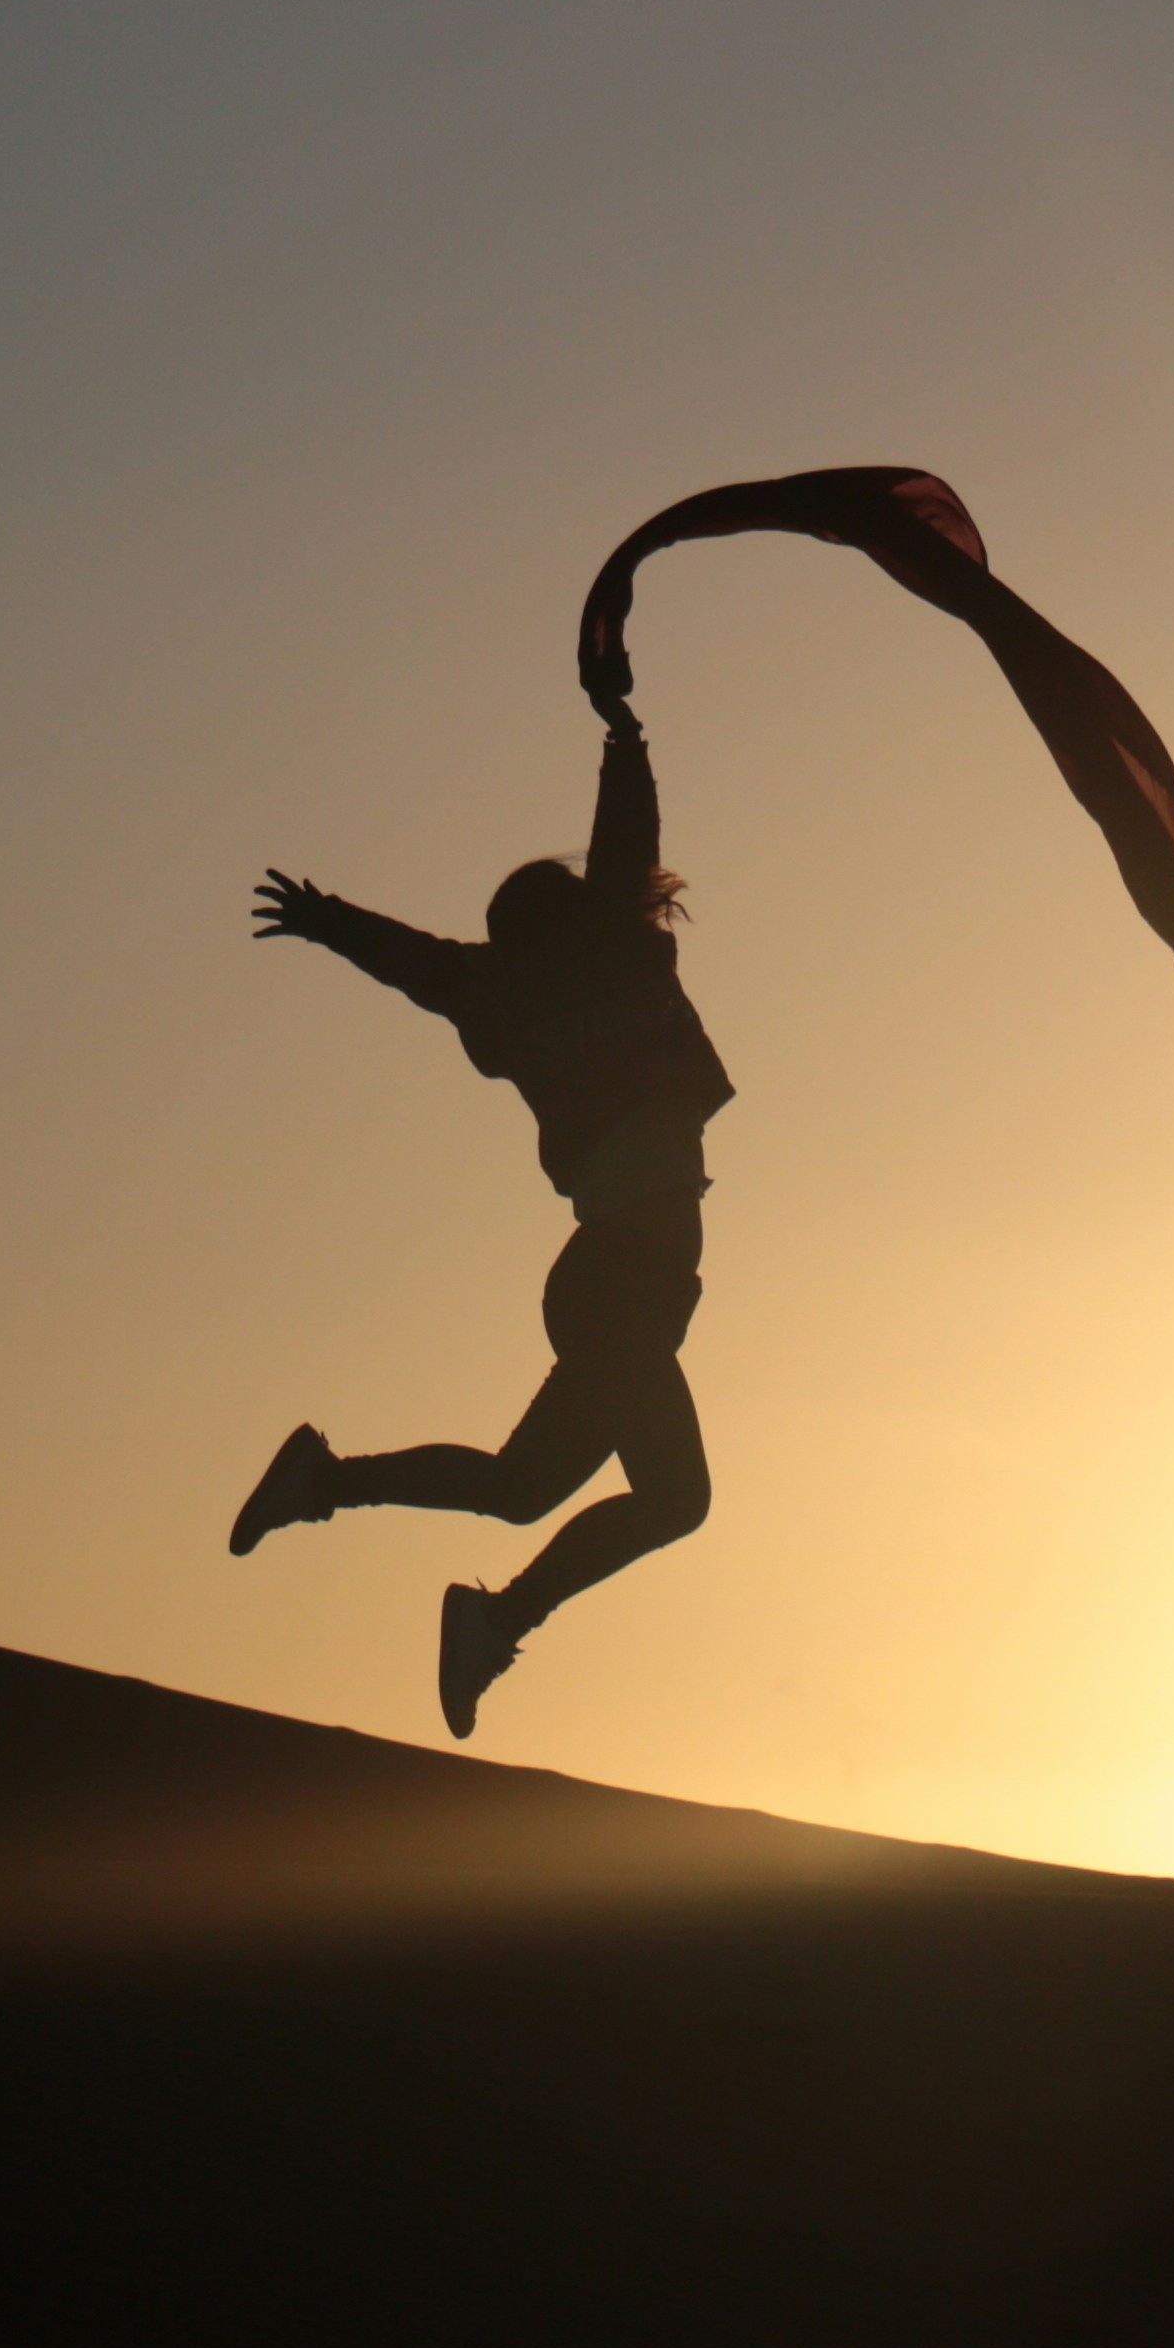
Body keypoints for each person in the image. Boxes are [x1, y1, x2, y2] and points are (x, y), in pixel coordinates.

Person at [229, 694, 727, 1738]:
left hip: (611, 1282)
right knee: (671, 1498)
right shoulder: (614, 954)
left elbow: (420, 962)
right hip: (623, 1280)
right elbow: (625, 842)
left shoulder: (505, 994)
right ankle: (495, 1617)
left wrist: (326, 918)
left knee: (521, 1486)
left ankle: (330, 1484)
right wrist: (623, 732)